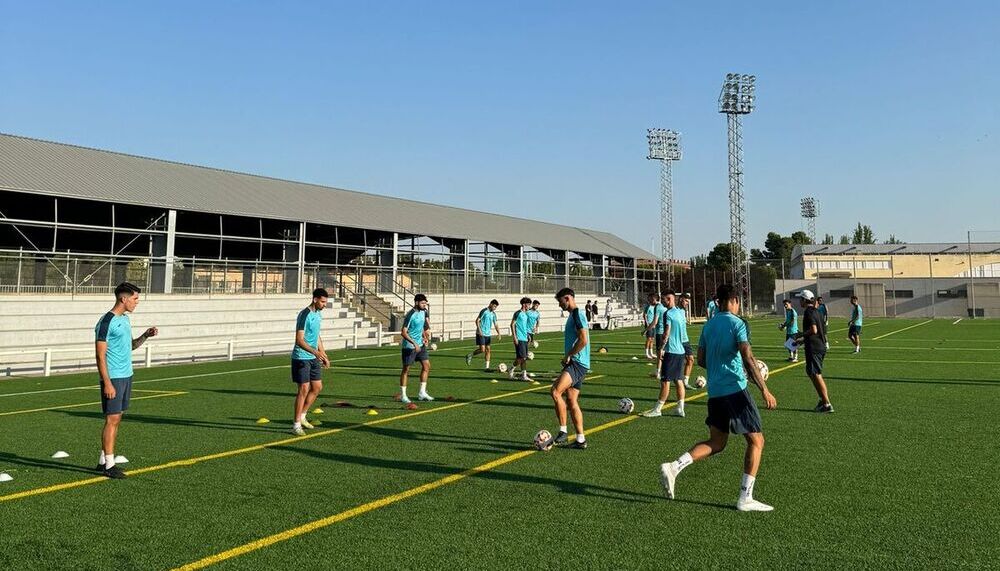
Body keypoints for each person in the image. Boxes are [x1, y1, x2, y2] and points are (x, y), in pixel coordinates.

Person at [659, 284, 778, 512]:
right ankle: (746, 497)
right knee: (757, 441)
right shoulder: (737, 324)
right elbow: (748, 357)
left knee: (717, 442)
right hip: (735, 390)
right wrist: (764, 389)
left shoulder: (709, 325)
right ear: (732, 300)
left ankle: (674, 466)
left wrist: (720, 364)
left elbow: (702, 360)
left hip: (715, 393)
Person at [94, 282, 158, 479]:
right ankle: (109, 466)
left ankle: (103, 460)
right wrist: (107, 382)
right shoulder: (106, 322)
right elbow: (100, 355)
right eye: (135, 298)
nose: (137, 302)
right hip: (113, 377)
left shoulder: (125, 320)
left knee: (116, 419)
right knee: (112, 420)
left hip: (126, 375)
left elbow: (129, 346)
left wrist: (145, 336)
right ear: (124, 298)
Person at [545, 287, 590, 449]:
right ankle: (580, 439)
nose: (559, 305)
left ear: (568, 298)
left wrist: (569, 355)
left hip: (577, 363)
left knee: (555, 391)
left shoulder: (577, 314)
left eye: (560, 302)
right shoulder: (574, 315)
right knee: (571, 401)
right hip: (579, 363)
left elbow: (583, 339)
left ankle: (563, 432)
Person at [291, 288, 331, 435]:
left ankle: (302, 416)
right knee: (303, 389)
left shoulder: (318, 314)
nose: (324, 305)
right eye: (322, 302)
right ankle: (296, 425)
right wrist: (316, 352)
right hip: (301, 357)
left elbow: (317, 335)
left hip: (313, 357)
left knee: (317, 387)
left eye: (326, 302)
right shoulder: (305, 314)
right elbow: (299, 340)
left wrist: (323, 354)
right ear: (315, 299)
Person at [643, 291, 688, 418]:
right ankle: (680, 408)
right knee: (678, 380)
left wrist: (662, 348)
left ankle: (657, 409)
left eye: (665, 299)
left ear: (670, 299)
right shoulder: (680, 313)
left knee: (665, 381)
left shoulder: (668, 313)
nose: (664, 302)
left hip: (671, 351)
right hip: (680, 351)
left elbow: (666, 333)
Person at [796, 290, 833, 413]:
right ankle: (823, 400)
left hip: (815, 347)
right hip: (819, 346)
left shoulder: (809, 312)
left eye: (800, 299)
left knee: (816, 374)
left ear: (804, 300)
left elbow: (814, 330)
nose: (799, 301)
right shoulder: (817, 311)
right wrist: (802, 340)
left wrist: (802, 335)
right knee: (811, 372)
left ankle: (826, 403)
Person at [399, 294, 433, 403]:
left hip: (420, 345)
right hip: (409, 347)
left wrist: (424, 337)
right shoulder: (411, 315)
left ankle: (422, 393)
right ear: (417, 302)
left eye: (425, 303)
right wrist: (414, 343)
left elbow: (422, 326)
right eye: (423, 303)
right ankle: (404, 395)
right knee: (406, 370)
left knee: (427, 366)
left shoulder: (424, 312)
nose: (424, 305)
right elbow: (403, 332)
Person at [466, 299, 501, 370]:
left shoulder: (493, 314)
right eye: (494, 306)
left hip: (488, 334)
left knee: (488, 350)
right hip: (481, 333)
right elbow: (477, 321)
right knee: (482, 350)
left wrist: (499, 333)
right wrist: (479, 330)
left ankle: (487, 367)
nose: (495, 308)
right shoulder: (484, 311)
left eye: (496, 307)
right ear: (491, 304)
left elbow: (496, 324)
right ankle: (470, 355)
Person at [510, 297, 532, 381]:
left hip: (524, 338)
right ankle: (511, 368)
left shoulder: (526, 314)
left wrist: (528, 335)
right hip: (519, 338)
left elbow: (524, 326)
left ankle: (524, 375)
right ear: (524, 304)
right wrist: (514, 337)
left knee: (523, 358)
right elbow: (512, 324)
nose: (529, 306)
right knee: (521, 358)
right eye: (528, 304)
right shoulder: (518, 313)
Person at [642, 293, 660, 359]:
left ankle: (651, 353)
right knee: (648, 339)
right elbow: (645, 315)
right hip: (649, 324)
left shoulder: (656, 307)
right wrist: (647, 323)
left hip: (653, 324)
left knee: (652, 339)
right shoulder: (648, 306)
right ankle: (647, 353)